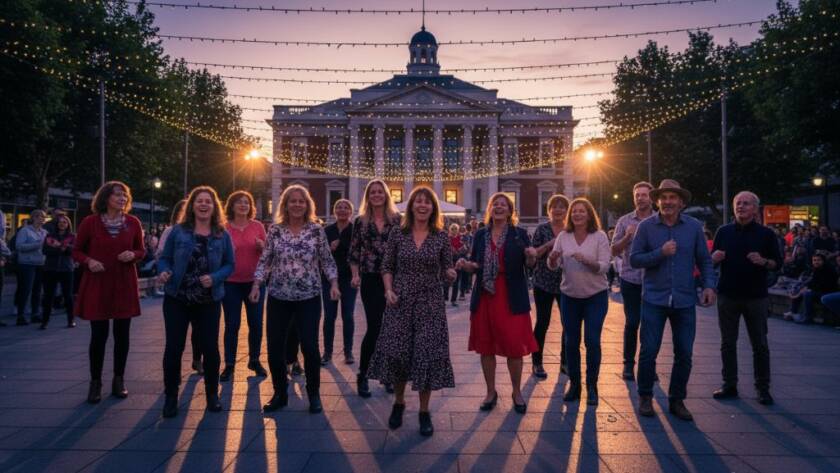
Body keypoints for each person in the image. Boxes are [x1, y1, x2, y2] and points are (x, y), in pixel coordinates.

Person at [368, 187, 457, 437]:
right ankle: (399, 402)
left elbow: (447, 269)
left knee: (426, 355)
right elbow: (387, 266)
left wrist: (451, 274)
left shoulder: (440, 236)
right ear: (411, 206)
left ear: (433, 208)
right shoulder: (398, 233)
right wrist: (388, 290)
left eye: (427, 202)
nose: (422, 205)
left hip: (430, 303)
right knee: (399, 354)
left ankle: (424, 411)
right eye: (418, 201)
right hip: (401, 301)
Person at [630, 179, 715, 421]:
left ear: (681, 202)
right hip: (654, 299)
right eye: (664, 198)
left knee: (684, 353)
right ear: (657, 201)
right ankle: (645, 396)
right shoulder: (646, 227)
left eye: (672, 197)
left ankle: (677, 400)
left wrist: (709, 286)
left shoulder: (694, 227)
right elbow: (635, 259)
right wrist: (661, 253)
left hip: (684, 300)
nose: (667, 202)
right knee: (649, 351)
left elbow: (705, 260)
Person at [252, 184, 339, 414]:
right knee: (274, 347)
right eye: (293, 201)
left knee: (310, 346)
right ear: (286, 204)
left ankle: (314, 394)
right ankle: (280, 393)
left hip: (308, 297)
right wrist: (256, 284)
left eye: (301, 201)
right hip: (278, 297)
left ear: (307, 205)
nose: (297, 204)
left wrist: (333, 283)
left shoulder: (316, 230)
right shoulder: (275, 230)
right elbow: (265, 259)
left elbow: (327, 260)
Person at [157, 186, 234, 418]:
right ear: (192, 205)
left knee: (210, 348)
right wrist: (164, 271)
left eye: (208, 201)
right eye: (199, 201)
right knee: (174, 348)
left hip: (208, 300)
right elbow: (164, 258)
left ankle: (212, 394)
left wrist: (215, 277)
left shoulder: (222, 234)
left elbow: (230, 264)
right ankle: (171, 396)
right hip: (177, 298)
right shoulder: (178, 231)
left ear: (214, 207)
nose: (203, 204)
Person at [458, 192, 538, 414]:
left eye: (504, 204)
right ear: (490, 209)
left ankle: (516, 392)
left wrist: (531, 257)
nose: (499, 207)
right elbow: (476, 263)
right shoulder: (480, 234)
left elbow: (530, 266)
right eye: (495, 204)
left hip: (512, 296)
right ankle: (490, 392)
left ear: (510, 211)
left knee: (514, 346)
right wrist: (467, 265)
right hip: (485, 296)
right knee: (486, 346)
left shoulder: (519, 234)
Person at [73, 181, 145, 404]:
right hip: (98, 283)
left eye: (125, 195)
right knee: (99, 335)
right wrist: (89, 261)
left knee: (122, 334)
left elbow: (141, 250)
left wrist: (133, 255)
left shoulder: (133, 222)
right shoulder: (90, 222)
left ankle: (119, 379)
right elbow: (76, 251)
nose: (122, 198)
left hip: (124, 283)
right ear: (105, 198)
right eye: (117, 195)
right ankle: (95, 382)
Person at [710, 191, 782, 406]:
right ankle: (729, 384)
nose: (741, 206)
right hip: (727, 295)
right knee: (727, 343)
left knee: (759, 344)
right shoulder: (723, 232)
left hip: (756, 296)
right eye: (738, 203)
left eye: (746, 203)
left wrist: (763, 261)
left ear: (755, 209)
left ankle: (763, 388)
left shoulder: (766, 234)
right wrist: (714, 259)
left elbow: (777, 263)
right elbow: (710, 262)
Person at [547, 198, 611, 405]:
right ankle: (575, 384)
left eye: (582, 211)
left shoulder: (599, 236)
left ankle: (592, 386)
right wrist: (553, 259)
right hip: (570, 297)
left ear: (589, 214)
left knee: (592, 340)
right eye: (574, 211)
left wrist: (588, 261)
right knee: (571, 342)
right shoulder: (563, 236)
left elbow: (605, 266)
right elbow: (554, 265)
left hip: (595, 296)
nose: (577, 214)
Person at [349, 179, 401, 397]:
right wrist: (355, 275)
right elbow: (354, 252)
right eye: (373, 192)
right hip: (370, 279)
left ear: (386, 195)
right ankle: (363, 374)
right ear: (368, 196)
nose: (377, 195)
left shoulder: (397, 220)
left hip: (395, 279)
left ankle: (387, 375)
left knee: (391, 329)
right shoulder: (360, 221)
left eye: (380, 192)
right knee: (374, 327)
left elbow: (405, 247)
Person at [220, 190, 268, 380]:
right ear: (231, 206)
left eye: (246, 202)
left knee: (256, 323)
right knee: (232, 324)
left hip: (255, 283)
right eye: (239, 202)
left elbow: (268, 253)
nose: (243, 205)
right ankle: (229, 364)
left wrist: (262, 247)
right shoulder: (224, 228)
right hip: (230, 283)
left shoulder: (257, 226)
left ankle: (254, 360)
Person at [611, 182, 655, 381]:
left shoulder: (658, 219)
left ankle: (649, 365)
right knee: (632, 322)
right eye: (637, 195)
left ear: (651, 198)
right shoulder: (624, 221)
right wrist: (628, 236)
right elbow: (614, 250)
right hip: (630, 279)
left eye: (644, 195)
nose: (640, 198)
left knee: (651, 324)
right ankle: (628, 365)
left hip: (654, 280)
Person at [157, 200, 203, 375]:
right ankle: (172, 380)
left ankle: (197, 359)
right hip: (177, 289)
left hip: (199, 289)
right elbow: (162, 255)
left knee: (199, 330)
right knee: (175, 338)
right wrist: (165, 270)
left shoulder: (204, 230)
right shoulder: (172, 231)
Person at [530, 194, 569, 380]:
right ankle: (537, 362)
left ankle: (565, 362)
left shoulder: (570, 230)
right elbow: (534, 254)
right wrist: (549, 245)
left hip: (566, 284)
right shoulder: (541, 229)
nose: (558, 210)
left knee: (568, 323)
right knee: (542, 322)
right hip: (543, 282)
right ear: (549, 210)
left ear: (566, 210)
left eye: (562, 207)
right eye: (555, 206)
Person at [321, 198, 357, 366]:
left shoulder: (355, 230)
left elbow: (359, 253)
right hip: (329, 279)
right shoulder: (327, 230)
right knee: (329, 316)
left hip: (348, 278)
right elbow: (320, 254)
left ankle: (348, 352)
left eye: (346, 208)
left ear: (351, 212)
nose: (342, 210)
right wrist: (330, 248)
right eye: (339, 207)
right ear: (334, 211)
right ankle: (327, 352)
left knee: (348, 315)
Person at [40, 214, 76, 329]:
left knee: (68, 296)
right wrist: (62, 248)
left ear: (68, 224)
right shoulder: (50, 236)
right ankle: (45, 321)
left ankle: (71, 320)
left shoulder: (72, 237)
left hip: (66, 269)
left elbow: (73, 251)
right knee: (48, 296)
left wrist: (59, 246)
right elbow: (45, 251)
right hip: (50, 268)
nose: (62, 224)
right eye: (60, 222)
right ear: (56, 224)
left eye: (64, 222)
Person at [14, 209, 47, 325]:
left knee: (37, 290)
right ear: (33, 218)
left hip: (40, 263)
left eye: (43, 217)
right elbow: (19, 246)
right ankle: (21, 315)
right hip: (27, 264)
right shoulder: (25, 231)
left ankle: (35, 314)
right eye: (38, 217)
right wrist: (38, 244)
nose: (41, 219)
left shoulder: (44, 232)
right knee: (25, 289)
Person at [786, 253, 837, 324]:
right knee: (799, 288)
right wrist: (803, 288)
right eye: (814, 260)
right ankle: (793, 312)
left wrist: (808, 289)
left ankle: (807, 317)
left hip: (827, 292)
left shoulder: (828, 270)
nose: (816, 262)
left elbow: (825, 285)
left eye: (818, 260)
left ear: (823, 261)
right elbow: (813, 282)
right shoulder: (816, 269)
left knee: (807, 294)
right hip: (819, 290)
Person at [445, 223, 464, 307]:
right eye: (452, 229)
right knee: (447, 280)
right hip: (449, 261)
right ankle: (445, 298)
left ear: (458, 230)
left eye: (455, 229)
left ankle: (453, 300)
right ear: (450, 230)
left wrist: (460, 249)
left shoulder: (460, 238)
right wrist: (451, 249)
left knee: (456, 281)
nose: (454, 230)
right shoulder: (447, 238)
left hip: (458, 260)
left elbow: (465, 248)